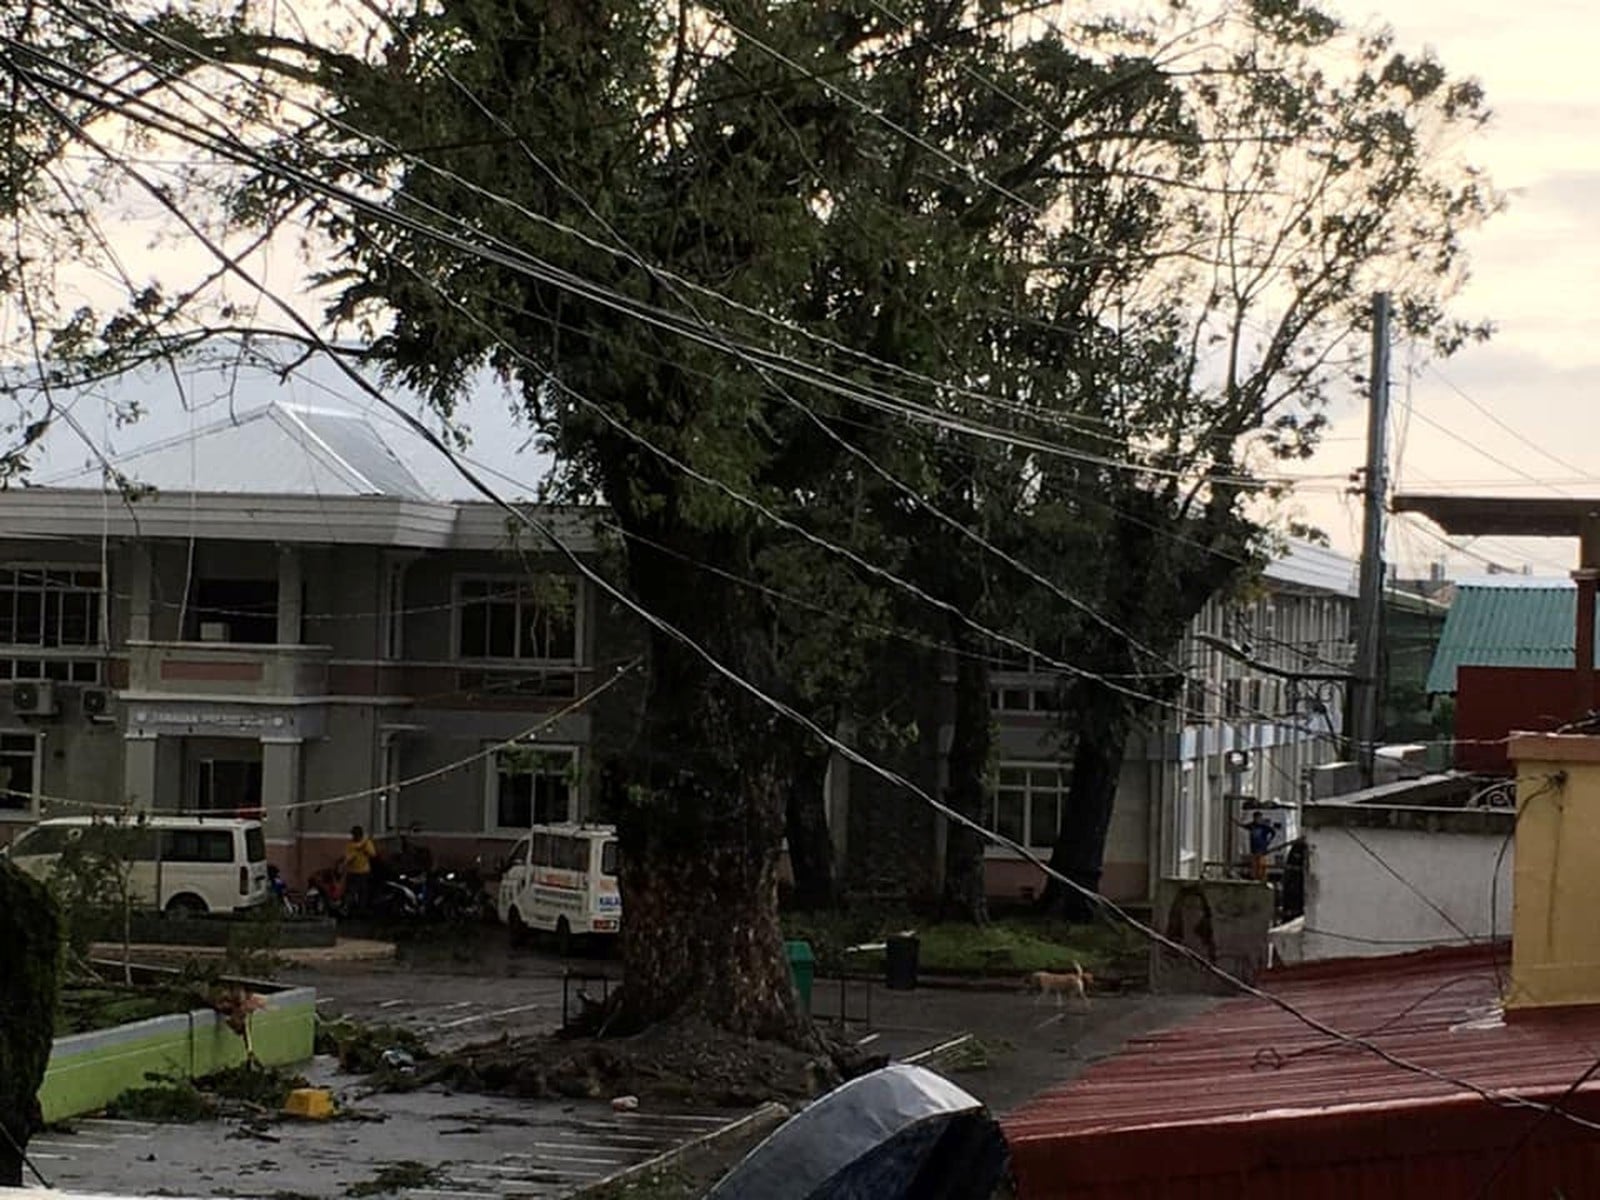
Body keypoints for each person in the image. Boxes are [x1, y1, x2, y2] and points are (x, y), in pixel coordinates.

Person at [343, 824, 378, 913]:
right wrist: (351, 857)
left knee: (363, 892)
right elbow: (347, 857)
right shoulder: (350, 844)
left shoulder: (366, 843)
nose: (354, 836)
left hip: (363, 872)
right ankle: (349, 908)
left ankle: (362, 910)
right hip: (352, 872)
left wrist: (365, 849)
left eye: (356, 834)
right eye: (354, 834)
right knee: (350, 891)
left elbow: (373, 854)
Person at [1239, 810, 1276, 882]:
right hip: (1254, 849)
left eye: (1258, 818)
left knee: (1261, 864)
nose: (1257, 820)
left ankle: (1261, 878)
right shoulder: (1252, 825)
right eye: (1255, 818)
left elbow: (1273, 832)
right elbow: (1244, 826)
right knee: (1254, 865)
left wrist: (1269, 841)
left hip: (1262, 849)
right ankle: (1254, 878)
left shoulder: (1264, 826)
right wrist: (1236, 822)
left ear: (1261, 818)